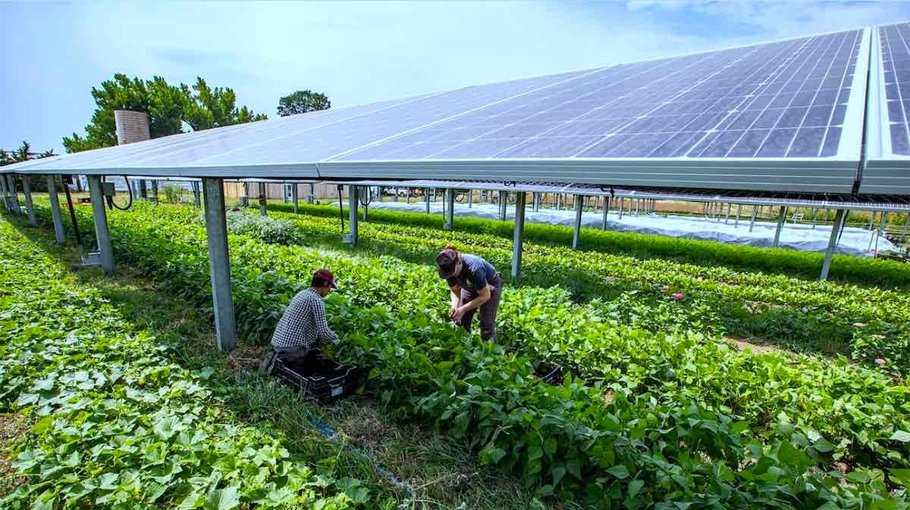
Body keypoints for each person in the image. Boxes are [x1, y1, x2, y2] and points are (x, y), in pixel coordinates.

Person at [260, 268, 339, 373]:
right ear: (324, 285)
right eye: (330, 287)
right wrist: (338, 340)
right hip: (292, 348)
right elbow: (323, 332)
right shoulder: (316, 301)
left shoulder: (302, 294)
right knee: (302, 373)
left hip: (277, 343)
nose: (329, 291)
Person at [436, 245, 502, 342]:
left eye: (452, 272)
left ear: (458, 262)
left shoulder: (474, 269)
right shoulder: (448, 268)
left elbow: (485, 296)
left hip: (489, 287)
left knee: (486, 326)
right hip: (468, 286)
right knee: (461, 321)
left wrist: (464, 308)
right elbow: (455, 291)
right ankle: (464, 348)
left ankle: (492, 352)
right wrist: (455, 306)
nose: (451, 275)